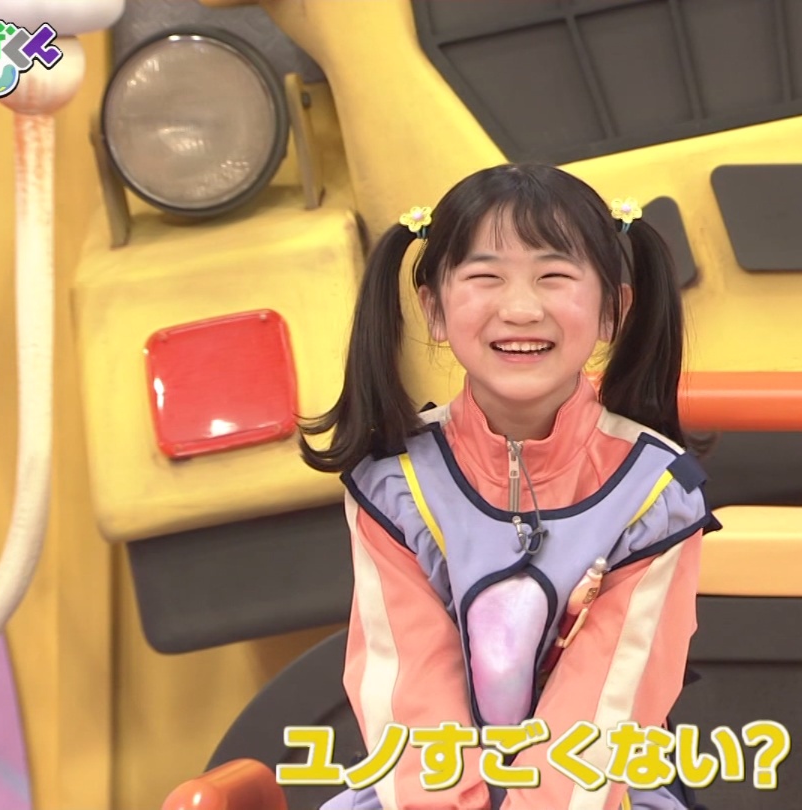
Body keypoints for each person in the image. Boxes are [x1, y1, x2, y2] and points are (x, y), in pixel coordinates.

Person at [300, 163, 719, 810]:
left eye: (554, 276)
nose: (521, 309)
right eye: (485, 277)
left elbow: (607, 706)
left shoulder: (657, 491)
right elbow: (407, 690)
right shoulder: (393, 483)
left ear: (612, 310)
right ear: (433, 308)